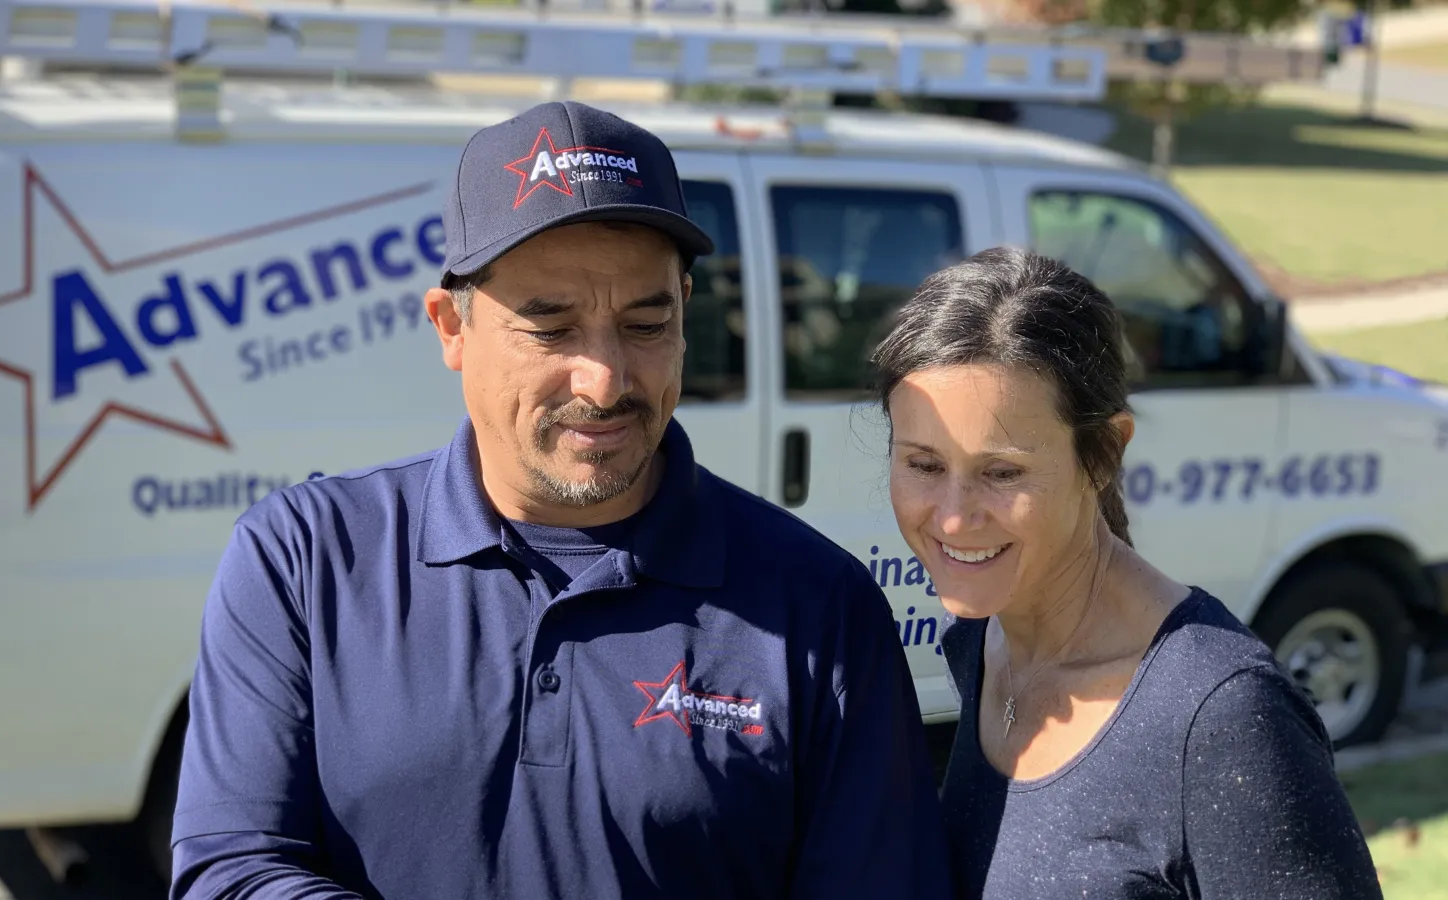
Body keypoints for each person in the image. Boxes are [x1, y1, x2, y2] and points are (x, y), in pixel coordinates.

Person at [169, 100, 954, 900]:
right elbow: (230, 872)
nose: (605, 379)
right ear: (451, 327)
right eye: (551, 330)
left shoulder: (819, 606)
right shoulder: (305, 559)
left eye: (647, 324)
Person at [868, 246, 1383, 899]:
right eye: (923, 464)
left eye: (1002, 473)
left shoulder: (1224, 719)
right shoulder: (981, 643)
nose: (953, 517)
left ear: (1105, 454)